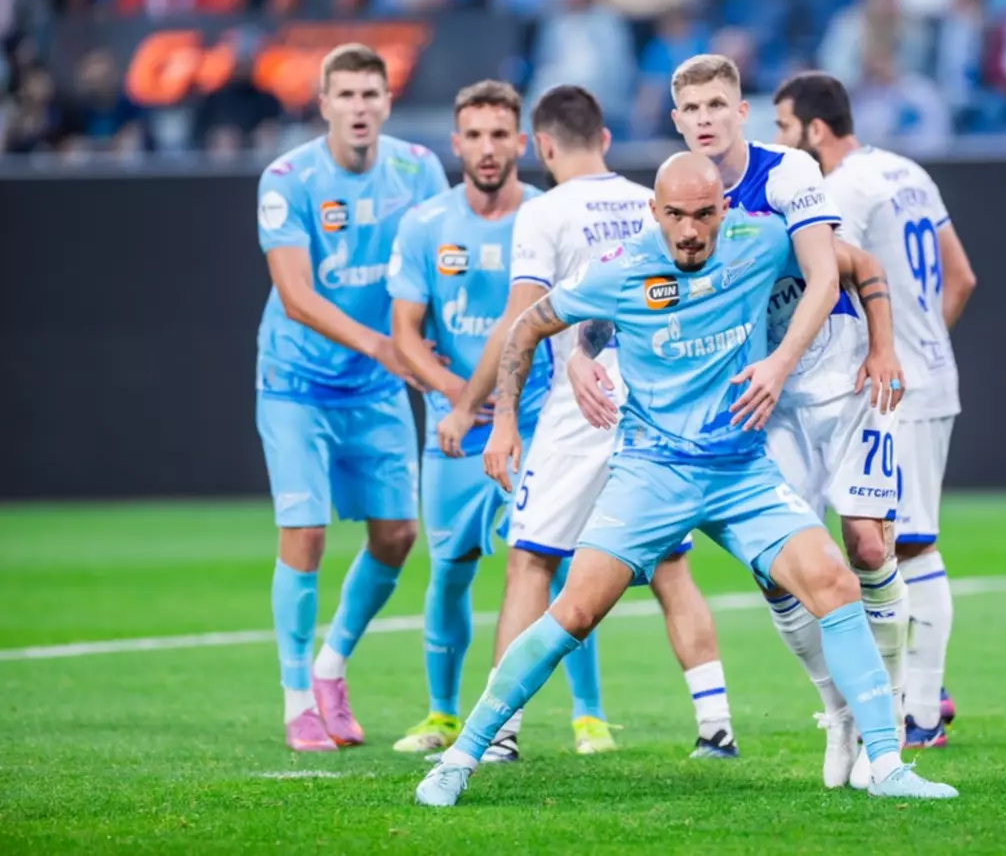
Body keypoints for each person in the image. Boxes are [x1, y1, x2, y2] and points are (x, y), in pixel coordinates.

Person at [414, 152, 960, 806]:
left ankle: (888, 765)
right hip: (652, 473)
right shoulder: (621, 267)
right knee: (575, 612)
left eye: (704, 214)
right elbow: (529, 325)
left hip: (741, 473)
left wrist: (881, 346)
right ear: (654, 211)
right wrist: (512, 414)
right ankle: (459, 758)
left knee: (837, 584)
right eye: (675, 215)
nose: (691, 231)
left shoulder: (761, 240)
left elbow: (859, 265)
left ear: (725, 209)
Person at [434, 84, 738, 761]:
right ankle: (716, 726)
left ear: (541, 147)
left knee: (531, 560)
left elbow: (522, 320)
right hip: (660, 397)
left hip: (582, 403)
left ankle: (499, 733)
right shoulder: (654, 199)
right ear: (603, 138)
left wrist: (486, 412)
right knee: (670, 567)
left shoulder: (544, 212)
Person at [662, 53, 914, 788]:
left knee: (864, 545)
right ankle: (839, 712)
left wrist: (876, 349)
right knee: (777, 569)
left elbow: (837, 272)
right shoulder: (682, 197)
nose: (705, 119)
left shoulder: (787, 174)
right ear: (676, 121)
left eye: (717, 105)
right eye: (691, 109)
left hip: (840, 380)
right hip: (766, 403)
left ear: (740, 112)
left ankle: (892, 712)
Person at [387, 80, 607, 753]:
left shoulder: (548, 213)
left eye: (499, 135)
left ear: (522, 143)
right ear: (456, 144)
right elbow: (403, 333)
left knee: (556, 563)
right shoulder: (426, 225)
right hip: (455, 429)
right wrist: (458, 395)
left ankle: (588, 715)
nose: (487, 149)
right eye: (475, 136)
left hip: (539, 420)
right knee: (450, 568)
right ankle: (442, 714)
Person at [772, 71, 977, 757]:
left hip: (890, 387)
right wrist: (926, 343)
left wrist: (888, 356)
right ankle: (921, 695)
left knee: (905, 544)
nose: (781, 142)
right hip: (929, 373)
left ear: (815, 129)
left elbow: (839, 278)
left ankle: (921, 712)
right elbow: (961, 278)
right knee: (896, 542)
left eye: (784, 127)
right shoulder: (907, 172)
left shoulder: (841, 188)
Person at [255, 43, 450, 752]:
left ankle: (331, 667)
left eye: (371, 94)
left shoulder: (419, 170)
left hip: (376, 388)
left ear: (388, 103)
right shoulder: (288, 179)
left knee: (397, 535)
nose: (359, 107)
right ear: (324, 104)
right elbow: (295, 295)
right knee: (305, 533)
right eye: (346, 95)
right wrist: (383, 346)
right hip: (296, 383)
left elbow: (437, 272)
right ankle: (296, 700)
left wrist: (439, 357)